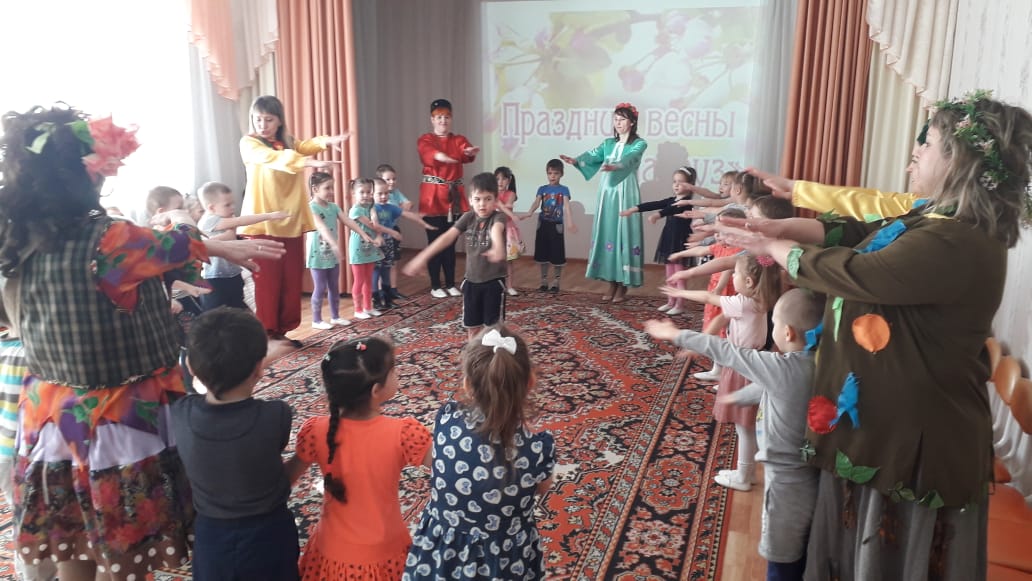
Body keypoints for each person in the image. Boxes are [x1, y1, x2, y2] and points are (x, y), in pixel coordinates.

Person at [711, 91, 1032, 580]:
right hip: (886, 427)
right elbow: (854, 232)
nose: (916, 151)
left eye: (929, 142)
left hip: (914, 440)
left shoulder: (956, 239)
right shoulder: (933, 218)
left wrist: (775, 246)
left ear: (960, 160)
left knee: (895, 559)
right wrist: (774, 229)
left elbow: (860, 271)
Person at [0, 105, 285, 581]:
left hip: (52, 414)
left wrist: (212, 243)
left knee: (75, 536)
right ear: (85, 174)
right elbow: (173, 242)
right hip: (121, 418)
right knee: (124, 550)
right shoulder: (110, 240)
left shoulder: (17, 237)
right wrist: (198, 229)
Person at [646, 287, 825, 580]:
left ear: (788, 332)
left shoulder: (783, 368)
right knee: (803, 548)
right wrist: (738, 397)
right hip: (808, 474)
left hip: (786, 485)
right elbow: (773, 389)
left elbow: (728, 352)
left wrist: (675, 334)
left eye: (775, 324)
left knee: (782, 557)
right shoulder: (816, 364)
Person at [403, 325, 555, 580]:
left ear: (467, 384)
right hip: (504, 560)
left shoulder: (446, 419)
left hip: (442, 555)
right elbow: (542, 488)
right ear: (530, 382)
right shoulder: (537, 450)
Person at [287, 337, 433, 580]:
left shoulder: (315, 430)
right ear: (376, 390)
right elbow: (448, 468)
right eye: (394, 369)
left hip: (329, 552)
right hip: (384, 553)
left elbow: (284, 480)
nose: (398, 373)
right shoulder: (404, 433)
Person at [172, 307, 300, 581]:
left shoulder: (180, 414)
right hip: (270, 535)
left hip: (212, 538)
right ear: (259, 368)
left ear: (191, 367)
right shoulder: (276, 415)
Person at [661, 253, 782, 491]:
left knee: (743, 426)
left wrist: (680, 293)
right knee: (745, 425)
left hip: (742, 368)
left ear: (749, 281)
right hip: (749, 364)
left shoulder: (744, 303)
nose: (732, 277)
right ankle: (747, 471)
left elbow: (709, 298)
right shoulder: (757, 299)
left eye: (735, 273)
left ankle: (744, 476)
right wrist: (698, 345)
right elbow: (720, 320)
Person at [238, 95, 349, 347]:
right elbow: (273, 158)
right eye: (258, 119)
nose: (262, 125)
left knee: (290, 280)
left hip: (290, 220)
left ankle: (282, 330)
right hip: (263, 222)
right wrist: (308, 162)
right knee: (267, 281)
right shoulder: (250, 143)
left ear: (279, 121)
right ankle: (267, 333)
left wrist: (326, 141)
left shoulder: (286, 142)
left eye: (268, 119)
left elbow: (304, 145)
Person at [561, 102, 647, 302]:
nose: (618, 123)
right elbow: (593, 155)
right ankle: (611, 282)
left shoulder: (639, 144)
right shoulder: (608, 143)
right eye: (615, 119)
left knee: (623, 233)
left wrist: (617, 165)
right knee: (608, 232)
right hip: (607, 193)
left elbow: (632, 157)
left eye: (622, 119)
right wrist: (576, 160)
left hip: (626, 192)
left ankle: (623, 285)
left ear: (632, 122)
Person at [402, 173, 506, 339]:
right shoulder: (468, 217)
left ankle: (492, 354)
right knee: (472, 328)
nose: (482, 204)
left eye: (488, 199)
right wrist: (422, 257)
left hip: (493, 283)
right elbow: (446, 237)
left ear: (496, 200)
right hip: (471, 283)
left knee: (493, 330)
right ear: (470, 200)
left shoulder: (498, 217)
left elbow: (496, 231)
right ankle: (474, 353)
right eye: (478, 199)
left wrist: (498, 248)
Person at [667, 207, 747, 381]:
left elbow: (727, 268)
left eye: (721, 232)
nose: (717, 236)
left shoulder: (739, 250)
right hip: (716, 291)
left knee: (726, 331)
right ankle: (718, 368)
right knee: (715, 326)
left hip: (727, 293)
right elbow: (700, 251)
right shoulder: (721, 246)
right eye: (716, 232)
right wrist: (680, 253)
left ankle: (725, 371)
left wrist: (719, 287)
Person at [417, 98, 480, 299]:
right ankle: (436, 285)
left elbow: (466, 152)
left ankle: (451, 283)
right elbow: (427, 152)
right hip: (433, 198)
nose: (443, 121)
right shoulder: (426, 139)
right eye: (439, 117)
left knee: (450, 244)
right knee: (435, 243)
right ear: (432, 119)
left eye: (446, 117)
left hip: (453, 199)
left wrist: (469, 153)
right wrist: (439, 156)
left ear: (451, 119)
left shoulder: (458, 139)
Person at [197, 181, 289, 311]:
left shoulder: (225, 220)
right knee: (216, 310)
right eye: (227, 205)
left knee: (237, 307)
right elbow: (238, 224)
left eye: (233, 203)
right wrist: (270, 215)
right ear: (211, 208)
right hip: (215, 277)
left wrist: (231, 231)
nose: (232, 208)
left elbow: (231, 236)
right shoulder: (209, 220)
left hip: (232, 273)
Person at [619, 165, 698, 315]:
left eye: (680, 182)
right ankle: (671, 301)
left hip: (680, 241)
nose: (676, 185)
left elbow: (671, 209)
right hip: (669, 239)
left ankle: (680, 304)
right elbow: (654, 204)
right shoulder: (671, 200)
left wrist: (658, 215)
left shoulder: (687, 202)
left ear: (690, 185)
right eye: (674, 181)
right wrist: (633, 209)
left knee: (679, 276)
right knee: (669, 275)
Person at [306, 172, 379, 329]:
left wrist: (363, 234)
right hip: (318, 254)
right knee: (320, 287)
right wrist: (333, 244)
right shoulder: (311, 207)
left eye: (332, 187)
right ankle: (316, 320)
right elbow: (321, 227)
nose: (332, 191)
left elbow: (348, 221)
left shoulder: (333, 207)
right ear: (315, 189)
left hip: (333, 253)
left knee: (334, 285)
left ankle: (335, 317)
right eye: (327, 188)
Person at [371, 177, 435, 311]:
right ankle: (376, 300)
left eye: (386, 193)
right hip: (376, 245)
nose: (383, 196)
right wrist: (391, 233)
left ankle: (387, 299)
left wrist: (423, 223)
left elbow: (407, 214)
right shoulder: (371, 209)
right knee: (376, 271)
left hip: (388, 243)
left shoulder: (390, 207)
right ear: (372, 194)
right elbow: (374, 226)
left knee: (386, 270)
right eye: (379, 193)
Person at [521, 158, 578, 292]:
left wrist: (570, 221)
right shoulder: (542, 189)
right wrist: (529, 213)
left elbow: (567, 206)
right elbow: (536, 202)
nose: (552, 176)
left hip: (557, 225)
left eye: (556, 173)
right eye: (550, 173)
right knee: (542, 252)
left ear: (561, 174)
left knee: (557, 253)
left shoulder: (564, 190)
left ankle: (556, 282)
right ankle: (544, 281)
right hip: (543, 224)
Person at [348, 178, 398, 320]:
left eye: (368, 192)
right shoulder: (355, 210)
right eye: (362, 192)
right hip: (358, 249)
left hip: (370, 248)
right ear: (354, 193)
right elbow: (372, 225)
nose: (366, 195)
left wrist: (374, 214)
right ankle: (358, 309)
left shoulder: (371, 205)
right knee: (359, 280)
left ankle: (368, 307)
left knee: (369, 280)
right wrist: (379, 234)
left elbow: (374, 218)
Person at [375, 163, 414, 301]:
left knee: (393, 262)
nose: (392, 182)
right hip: (380, 232)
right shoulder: (377, 197)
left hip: (393, 229)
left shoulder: (396, 193)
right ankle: (379, 291)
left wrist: (403, 207)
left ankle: (393, 289)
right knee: (380, 264)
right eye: (388, 179)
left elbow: (408, 204)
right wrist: (398, 209)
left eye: (394, 179)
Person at [494, 166, 525, 295]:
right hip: (493, 228)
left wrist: (499, 205)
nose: (500, 182)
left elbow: (506, 207)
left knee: (508, 260)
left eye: (504, 179)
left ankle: (510, 286)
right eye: (497, 179)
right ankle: (494, 285)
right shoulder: (491, 194)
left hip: (507, 229)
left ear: (509, 180)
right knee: (493, 259)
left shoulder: (511, 194)